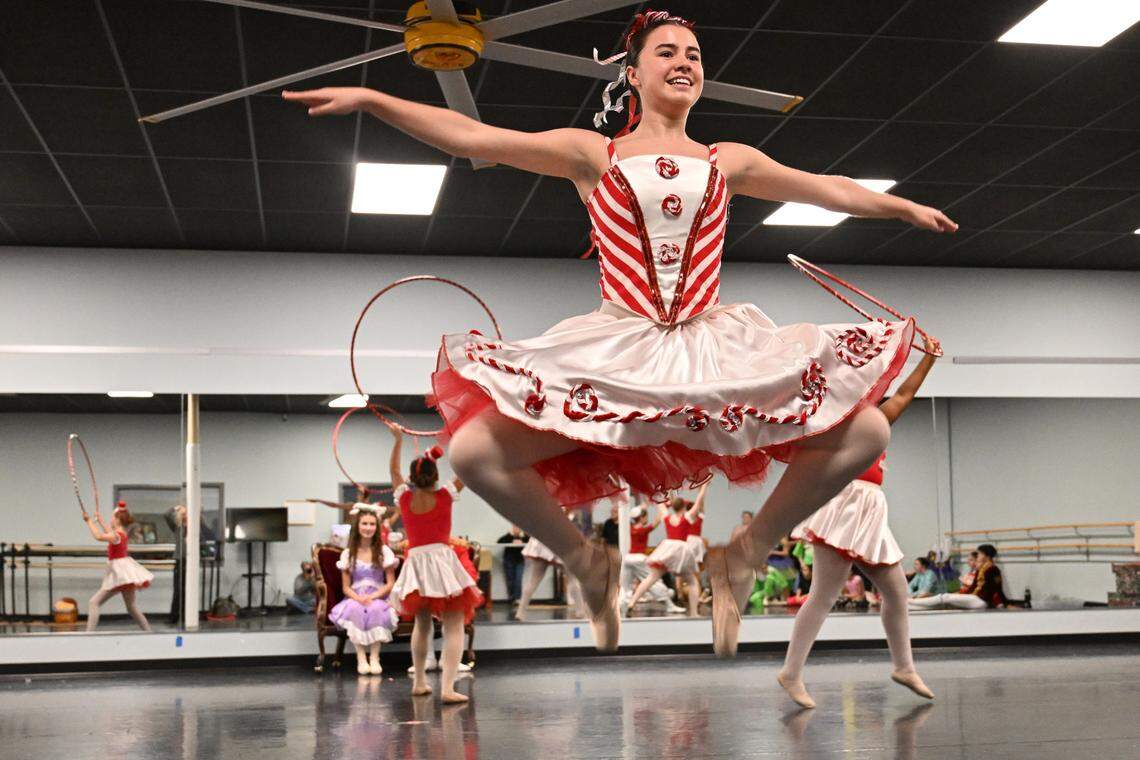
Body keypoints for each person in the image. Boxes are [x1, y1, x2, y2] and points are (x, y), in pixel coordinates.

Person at [284, 9, 956, 655]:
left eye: (694, 54)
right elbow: (473, 137)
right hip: (621, 349)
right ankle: (586, 561)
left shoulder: (728, 159)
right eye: (667, 52)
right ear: (631, 73)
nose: (684, 62)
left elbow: (824, 188)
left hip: (711, 348)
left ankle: (743, 557)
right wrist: (375, 99)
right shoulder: (593, 154)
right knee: (474, 453)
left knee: (868, 429)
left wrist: (901, 206)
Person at [778, 338, 940, 708]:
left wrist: (928, 358)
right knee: (823, 594)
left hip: (870, 509)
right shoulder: (831, 417)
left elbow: (906, 392)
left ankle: (904, 666)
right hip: (843, 501)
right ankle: (791, 672)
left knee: (897, 590)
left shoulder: (880, 417)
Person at [386, 426, 482, 703]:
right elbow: (466, 471)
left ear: (412, 477)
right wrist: (468, 440)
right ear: (435, 476)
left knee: (422, 623)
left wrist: (398, 441)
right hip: (442, 561)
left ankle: (419, 682)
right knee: (454, 626)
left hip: (416, 563)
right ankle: (448, 688)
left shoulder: (404, 497)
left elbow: (394, 474)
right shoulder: (445, 495)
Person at [328, 505, 400, 675]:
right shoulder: (348, 553)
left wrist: (374, 595)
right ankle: (361, 657)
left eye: (372, 524)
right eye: (364, 524)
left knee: (375, 608)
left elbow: (390, 583)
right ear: (358, 526)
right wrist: (358, 598)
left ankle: (375, 657)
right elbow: (345, 587)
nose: (368, 528)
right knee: (355, 608)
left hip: (379, 595)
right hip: (355, 595)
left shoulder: (383, 551)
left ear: (377, 527)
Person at [624, 494, 702, 616]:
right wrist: (704, 487)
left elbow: (659, 504)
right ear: (683, 507)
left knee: (651, 578)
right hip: (681, 550)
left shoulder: (667, 517)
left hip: (668, 549)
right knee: (692, 581)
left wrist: (658, 491)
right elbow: (698, 502)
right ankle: (694, 612)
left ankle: (632, 602)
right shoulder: (686, 517)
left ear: (673, 507)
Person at [84, 502, 153, 632]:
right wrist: (100, 521)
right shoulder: (121, 534)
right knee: (131, 607)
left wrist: (89, 521)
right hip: (124, 574)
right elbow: (110, 533)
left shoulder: (116, 535)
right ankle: (148, 632)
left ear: (117, 519)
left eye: (112, 517)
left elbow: (98, 536)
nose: (111, 519)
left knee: (93, 602)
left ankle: (89, 635)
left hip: (118, 574)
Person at [621, 505, 683, 612]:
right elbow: (657, 521)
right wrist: (663, 507)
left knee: (626, 585)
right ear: (641, 518)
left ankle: (624, 603)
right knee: (654, 580)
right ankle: (669, 604)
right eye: (645, 517)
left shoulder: (630, 528)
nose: (646, 519)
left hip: (628, 558)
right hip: (639, 558)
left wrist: (645, 504)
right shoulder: (643, 530)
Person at [164, 502, 217, 625]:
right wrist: (176, 507)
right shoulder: (177, 528)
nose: (185, 515)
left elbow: (203, 542)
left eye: (187, 513)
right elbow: (166, 515)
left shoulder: (195, 528)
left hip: (190, 562)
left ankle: (186, 617)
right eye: (184, 514)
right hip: (179, 561)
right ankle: (174, 618)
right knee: (177, 590)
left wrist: (193, 542)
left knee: (188, 590)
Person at [910, 544, 1007, 610]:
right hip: (974, 598)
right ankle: (911, 606)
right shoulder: (982, 568)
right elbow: (973, 587)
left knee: (945, 597)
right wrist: (960, 593)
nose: (978, 556)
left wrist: (1004, 604)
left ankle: (912, 603)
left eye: (980, 554)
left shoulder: (993, 569)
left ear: (987, 556)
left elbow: (997, 589)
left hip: (980, 601)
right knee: (945, 602)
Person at [496, 525, 528, 605]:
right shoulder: (508, 536)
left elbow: (530, 542)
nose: (517, 529)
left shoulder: (524, 537)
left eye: (518, 528)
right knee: (510, 580)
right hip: (508, 560)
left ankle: (518, 598)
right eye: (515, 527)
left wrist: (522, 540)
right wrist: (510, 536)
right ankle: (512, 597)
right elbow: (499, 542)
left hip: (520, 560)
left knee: (518, 579)